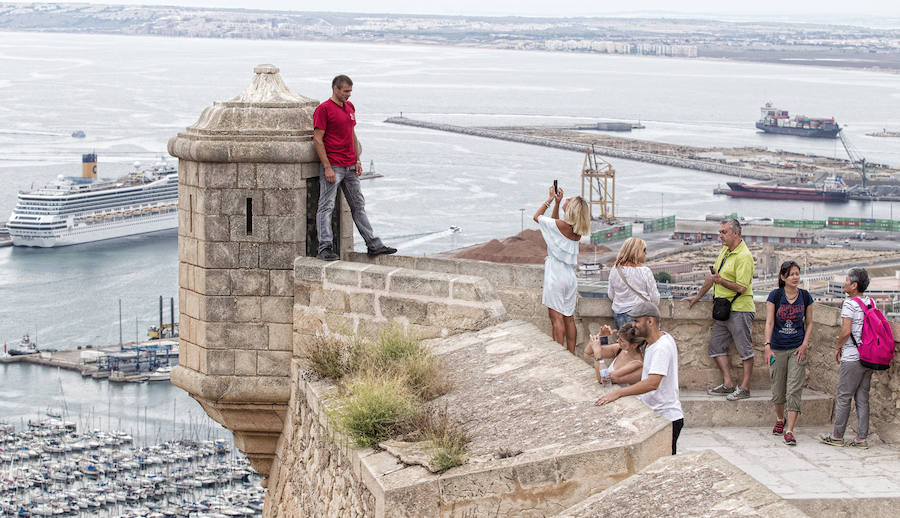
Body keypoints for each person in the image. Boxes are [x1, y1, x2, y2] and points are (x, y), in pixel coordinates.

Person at [313, 74, 396, 261]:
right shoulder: (323, 109)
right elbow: (317, 139)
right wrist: (327, 167)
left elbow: (352, 133)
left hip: (350, 165)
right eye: (346, 91)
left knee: (358, 206)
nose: (349, 95)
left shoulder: (350, 107)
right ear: (336, 89)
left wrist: (357, 160)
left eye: (350, 91)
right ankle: (324, 248)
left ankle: (373, 244)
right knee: (326, 207)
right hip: (334, 165)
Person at [594, 301, 684, 455]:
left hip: (665, 417)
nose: (633, 325)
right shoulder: (655, 343)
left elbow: (652, 383)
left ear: (650, 321)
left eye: (637, 321)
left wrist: (618, 393)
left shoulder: (661, 347)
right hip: (658, 415)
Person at [686, 218, 755, 401]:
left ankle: (745, 388)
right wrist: (698, 296)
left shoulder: (744, 256)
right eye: (720, 232)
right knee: (715, 346)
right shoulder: (725, 251)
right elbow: (713, 276)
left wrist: (721, 281)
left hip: (740, 308)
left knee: (745, 350)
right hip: (723, 309)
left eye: (724, 232)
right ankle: (728, 384)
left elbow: (742, 287)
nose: (720, 236)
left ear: (735, 233)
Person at [819, 267, 874, 449]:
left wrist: (837, 346)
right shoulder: (870, 302)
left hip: (852, 358)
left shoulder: (849, 304)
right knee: (862, 398)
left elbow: (846, 331)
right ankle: (861, 439)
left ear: (854, 285)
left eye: (846, 280)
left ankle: (836, 436)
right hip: (868, 357)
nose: (844, 283)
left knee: (844, 397)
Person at [533, 185, 591, 354]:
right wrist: (558, 204)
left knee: (556, 319)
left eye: (568, 200)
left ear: (571, 209)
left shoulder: (560, 225)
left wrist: (550, 199)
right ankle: (571, 355)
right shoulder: (576, 230)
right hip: (569, 276)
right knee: (569, 319)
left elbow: (537, 217)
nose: (566, 199)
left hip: (556, 275)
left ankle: (559, 358)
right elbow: (554, 224)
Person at [764, 260, 813, 446]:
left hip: (796, 348)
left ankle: (790, 430)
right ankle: (779, 419)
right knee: (778, 388)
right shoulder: (775, 296)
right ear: (783, 277)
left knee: (794, 389)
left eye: (797, 274)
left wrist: (805, 344)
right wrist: (767, 345)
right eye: (791, 274)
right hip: (777, 347)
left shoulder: (806, 296)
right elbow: (769, 322)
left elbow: (809, 323)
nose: (795, 277)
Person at [608, 237, 660, 329]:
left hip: (619, 315)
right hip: (641, 315)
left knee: (626, 342)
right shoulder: (644, 271)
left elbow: (611, 295)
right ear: (637, 252)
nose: (646, 253)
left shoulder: (615, 270)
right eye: (644, 250)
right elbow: (655, 298)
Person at [584, 322, 646, 387]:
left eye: (621, 340)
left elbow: (604, 379)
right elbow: (589, 352)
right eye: (618, 337)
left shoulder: (637, 364)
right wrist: (600, 336)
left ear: (634, 345)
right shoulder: (619, 349)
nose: (617, 340)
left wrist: (598, 355)